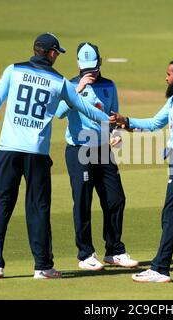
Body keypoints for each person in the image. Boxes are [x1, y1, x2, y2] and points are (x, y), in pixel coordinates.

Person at [0, 33, 110, 279]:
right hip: (37, 154)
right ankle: (42, 266)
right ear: (51, 53)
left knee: (1, 206)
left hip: (8, 150)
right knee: (38, 208)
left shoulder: (13, 70)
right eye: (56, 52)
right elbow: (85, 108)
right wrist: (115, 122)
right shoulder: (59, 81)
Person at [110, 59, 173, 282]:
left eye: (168, 74)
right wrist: (125, 121)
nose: (165, 78)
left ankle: (160, 268)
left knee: (171, 213)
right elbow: (155, 123)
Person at [56, 42, 138, 271]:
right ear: (79, 66)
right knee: (83, 201)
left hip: (103, 149)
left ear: (100, 63)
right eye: (85, 69)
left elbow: (114, 117)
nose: (89, 72)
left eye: (92, 68)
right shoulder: (70, 85)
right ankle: (85, 254)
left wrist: (117, 134)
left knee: (116, 198)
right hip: (79, 150)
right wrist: (78, 88)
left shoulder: (109, 86)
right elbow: (59, 113)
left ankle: (114, 251)